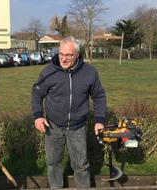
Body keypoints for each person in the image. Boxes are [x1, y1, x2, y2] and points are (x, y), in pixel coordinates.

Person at [31, 36, 106, 188]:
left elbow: (99, 96)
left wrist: (99, 120)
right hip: (53, 126)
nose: (64, 59)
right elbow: (36, 94)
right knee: (53, 163)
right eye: (61, 54)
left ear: (77, 54)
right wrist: (38, 116)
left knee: (81, 164)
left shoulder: (89, 73)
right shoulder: (48, 72)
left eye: (68, 55)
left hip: (77, 126)